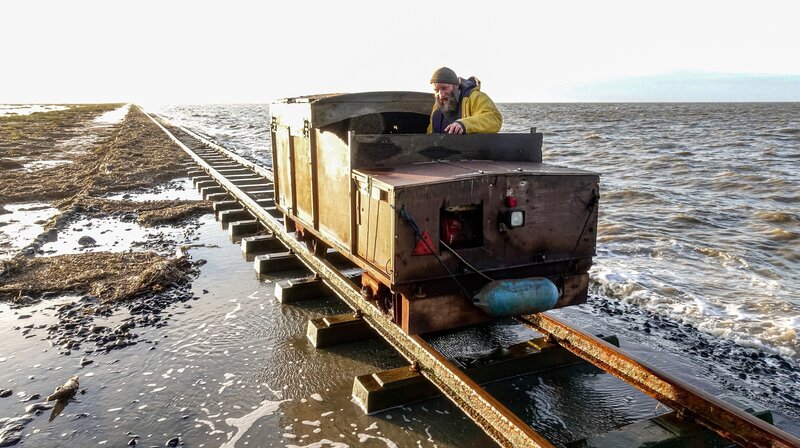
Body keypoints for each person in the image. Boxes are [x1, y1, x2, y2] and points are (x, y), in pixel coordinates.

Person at [427, 67, 502, 134]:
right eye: (436, 90)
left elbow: (494, 119)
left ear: (456, 86)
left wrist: (464, 124)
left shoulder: (475, 97)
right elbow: (430, 134)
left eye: (444, 88)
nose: (441, 95)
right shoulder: (436, 108)